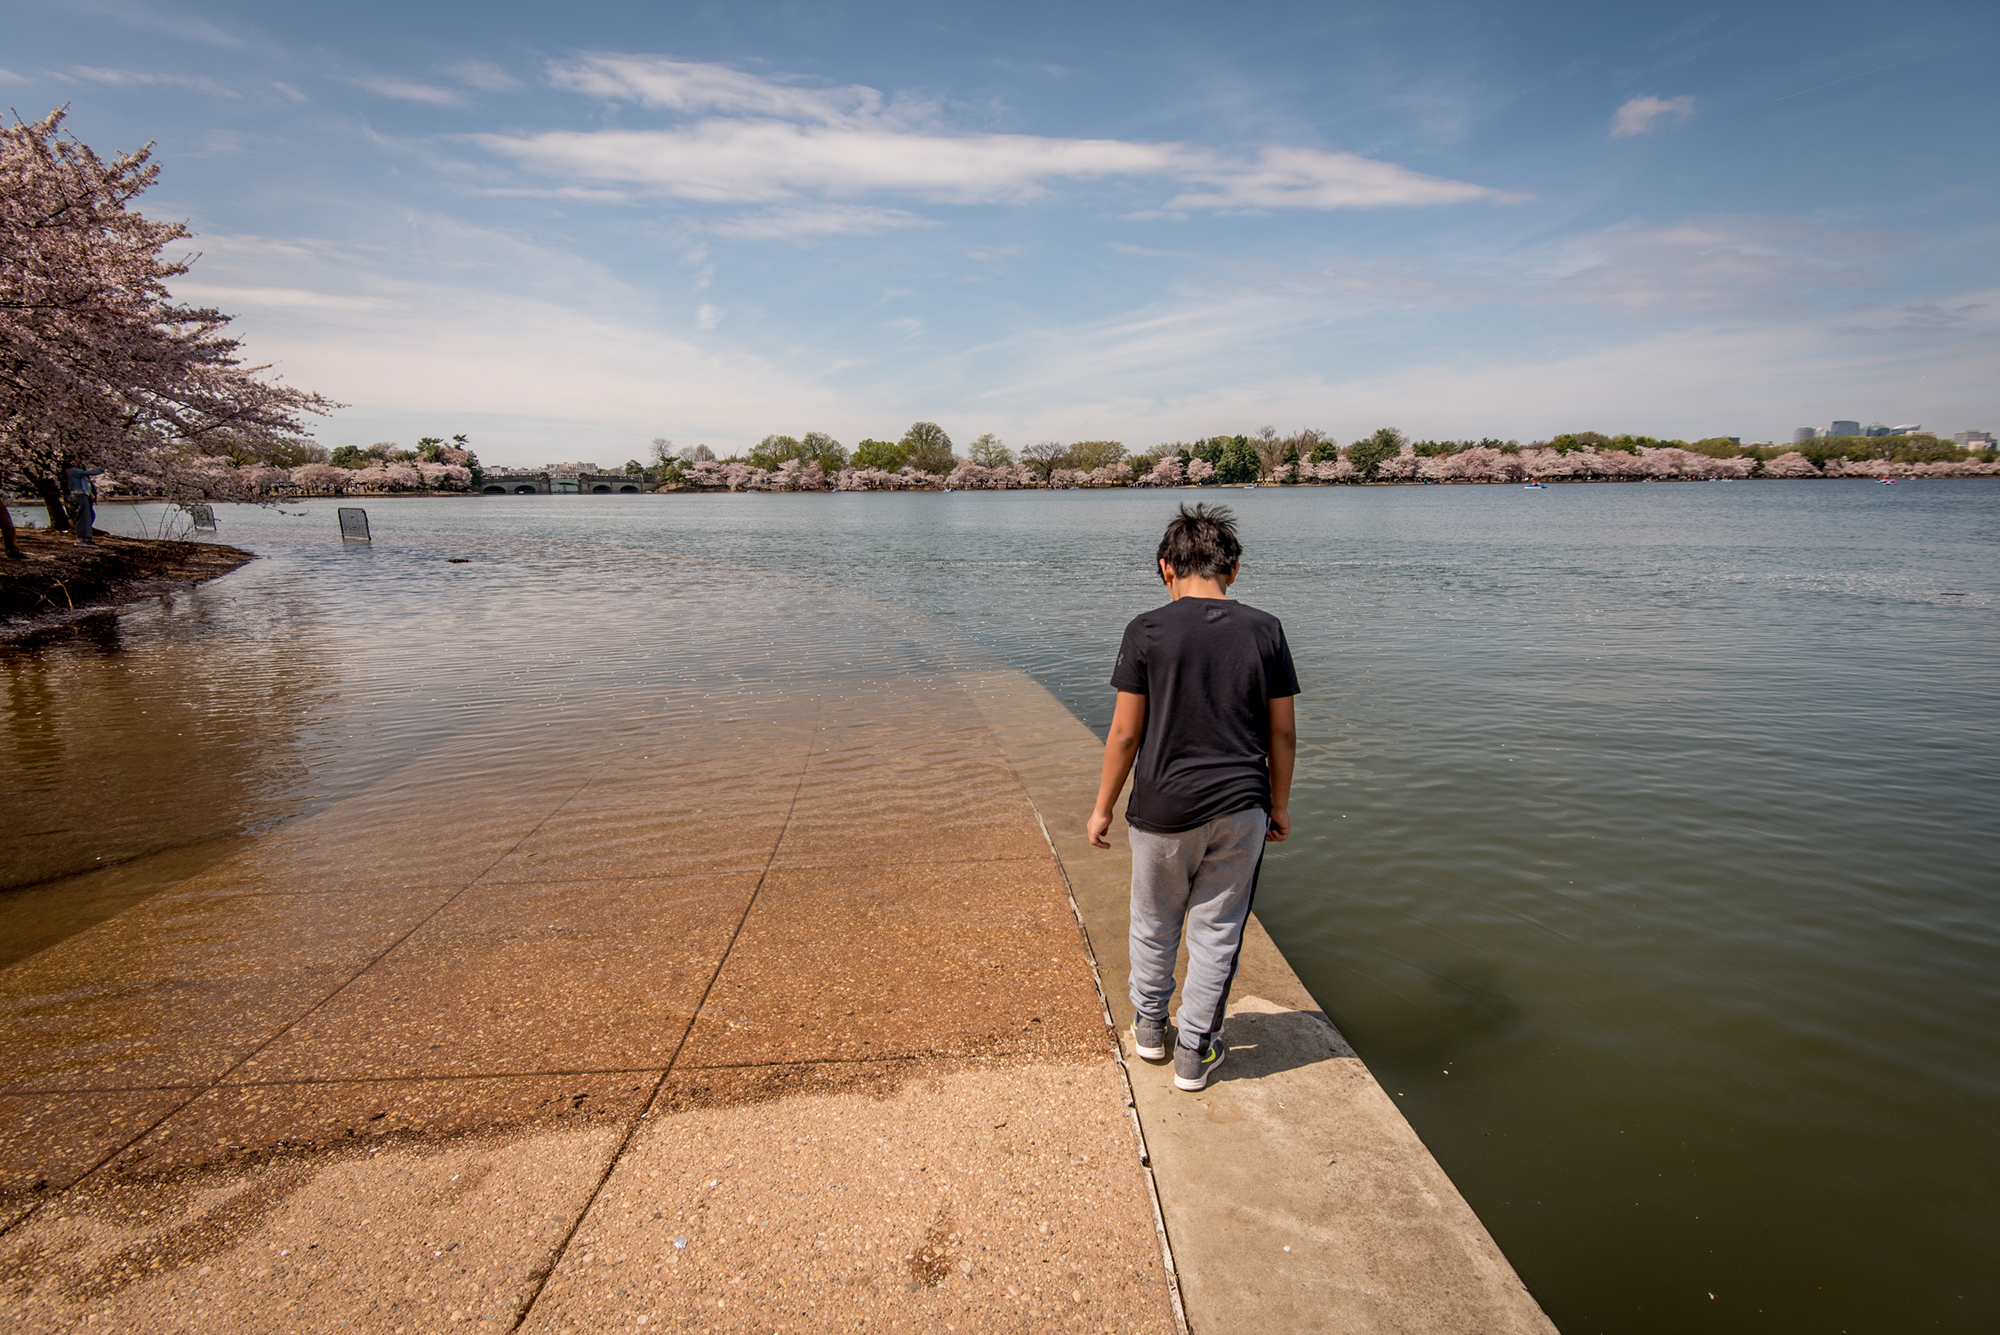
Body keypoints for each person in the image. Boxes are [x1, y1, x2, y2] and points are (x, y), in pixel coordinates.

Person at [1087, 503, 1298, 1092]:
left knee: (1154, 922)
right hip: (1240, 805)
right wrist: (1278, 804)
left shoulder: (1146, 630)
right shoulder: (1266, 630)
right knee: (1218, 929)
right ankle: (1195, 1051)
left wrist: (1103, 806)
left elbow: (1126, 733)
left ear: (1164, 568)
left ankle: (1151, 1030)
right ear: (1234, 567)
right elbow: (1282, 731)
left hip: (1161, 809)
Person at [64, 464, 105, 545]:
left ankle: (86, 537)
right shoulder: (73, 471)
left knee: (89, 515)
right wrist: (101, 469)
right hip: (79, 495)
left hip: (83, 494)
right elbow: (88, 472)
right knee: (82, 517)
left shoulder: (78, 474)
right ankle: (81, 538)